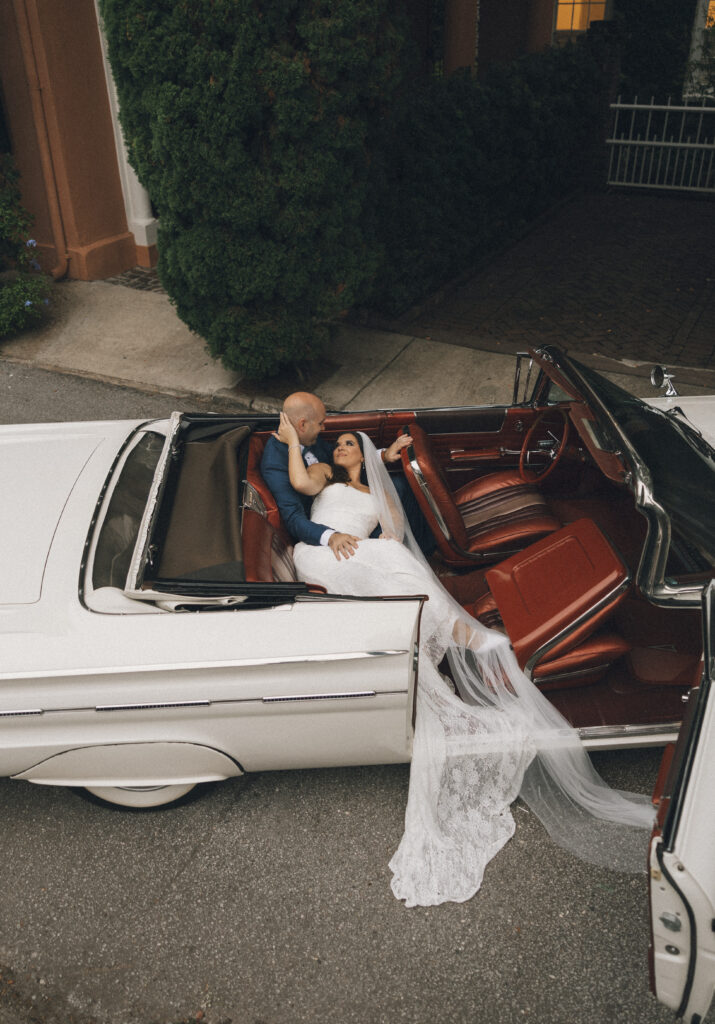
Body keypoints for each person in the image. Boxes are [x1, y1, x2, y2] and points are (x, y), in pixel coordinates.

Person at [273, 414, 656, 908]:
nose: (342, 447)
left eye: (351, 443)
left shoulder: (380, 489)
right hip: (322, 552)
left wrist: (387, 471)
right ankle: (463, 634)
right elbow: (301, 483)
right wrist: (288, 437)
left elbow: (395, 526)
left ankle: (456, 632)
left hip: (363, 550)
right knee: (390, 563)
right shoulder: (320, 475)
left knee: (396, 557)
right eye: (340, 442)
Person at [260, 391, 434, 559]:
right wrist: (332, 536)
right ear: (303, 425)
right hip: (320, 522)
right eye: (320, 423)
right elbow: (293, 517)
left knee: (400, 485)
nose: (324, 427)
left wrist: (385, 455)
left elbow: (340, 454)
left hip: (344, 490)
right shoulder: (275, 462)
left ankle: (426, 550)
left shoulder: (309, 438)